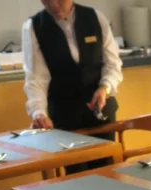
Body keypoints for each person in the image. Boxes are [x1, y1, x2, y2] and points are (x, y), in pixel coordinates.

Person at [22, 0, 123, 133]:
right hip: (63, 115)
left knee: (107, 153)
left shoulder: (96, 18)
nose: (53, 5)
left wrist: (105, 87)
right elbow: (36, 77)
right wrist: (38, 112)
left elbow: (112, 64)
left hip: (100, 111)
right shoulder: (34, 27)